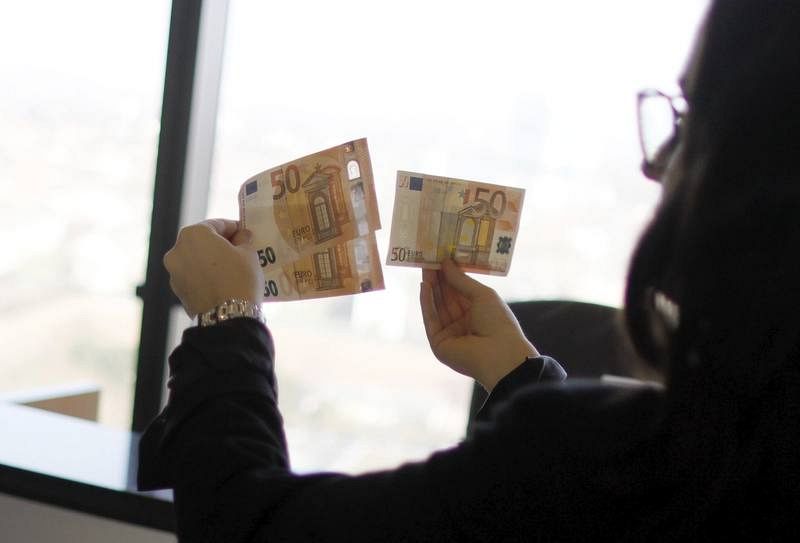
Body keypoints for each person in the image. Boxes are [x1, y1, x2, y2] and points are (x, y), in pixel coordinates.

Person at [138, 1, 800, 540]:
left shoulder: (643, 463)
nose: (657, 165)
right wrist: (522, 380)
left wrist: (227, 323)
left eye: (688, 121)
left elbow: (256, 529)